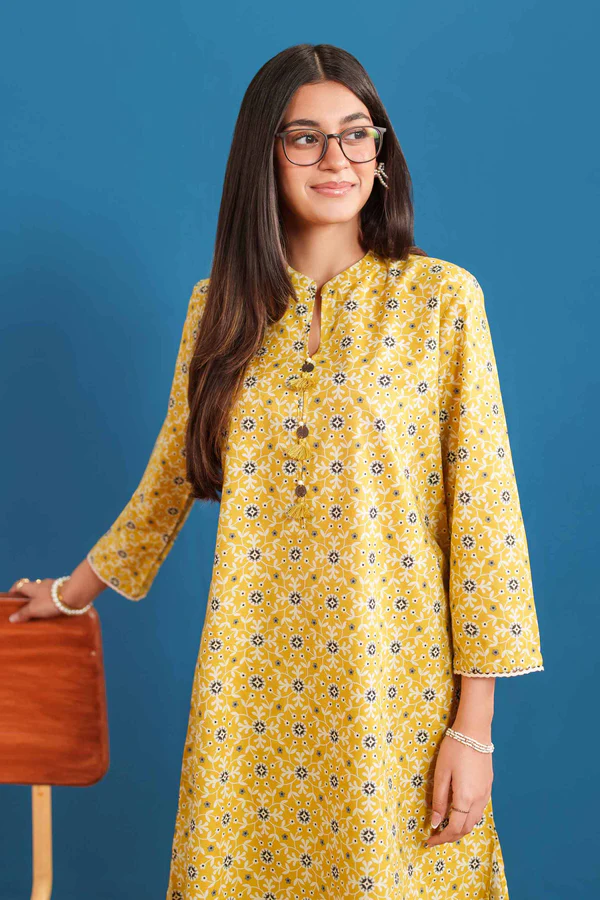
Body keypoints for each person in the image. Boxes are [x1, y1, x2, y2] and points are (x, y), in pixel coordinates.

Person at [7, 43, 544, 899]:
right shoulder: (218, 309)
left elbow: (484, 516)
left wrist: (472, 728)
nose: (336, 159)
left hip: (391, 687)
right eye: (305, 138)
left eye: (356, 134)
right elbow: (172, 476)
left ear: (382, 152)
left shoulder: (442, 302)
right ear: (265, 155)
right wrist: (72, 593)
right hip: (249, 689)